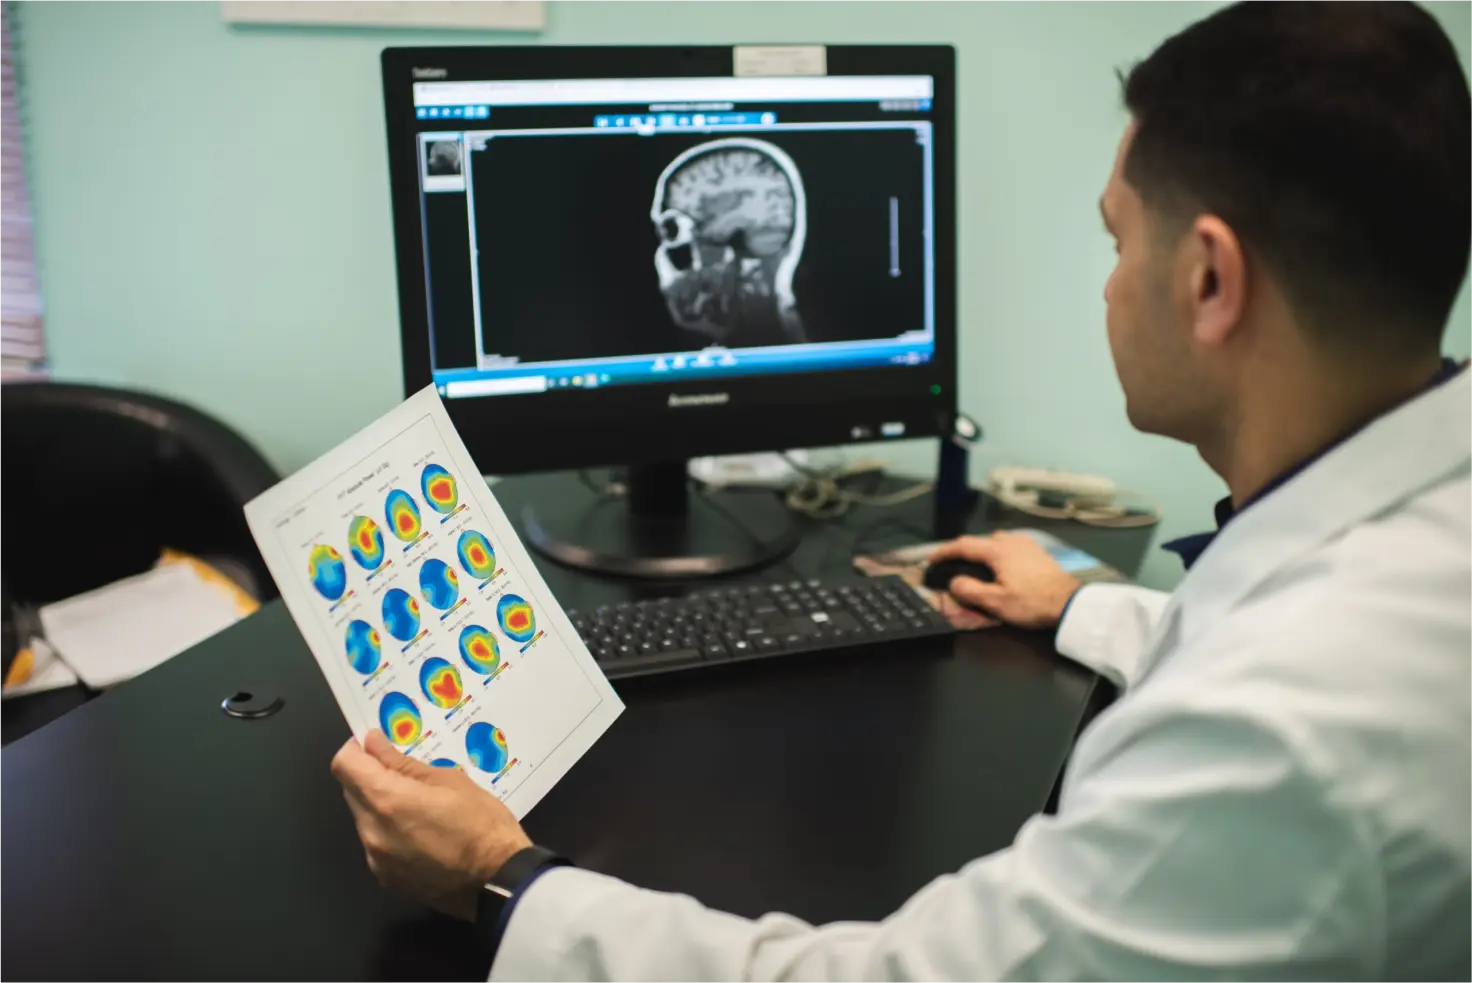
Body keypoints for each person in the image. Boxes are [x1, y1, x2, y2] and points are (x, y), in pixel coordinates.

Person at [331, 0, 1472, 978]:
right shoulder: (1415, 555)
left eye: (1116, 240)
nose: (1112, 288)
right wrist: (1084, 603)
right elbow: (1270, 647)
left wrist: (504, 879)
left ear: (1210, 278)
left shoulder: (1279, 736)